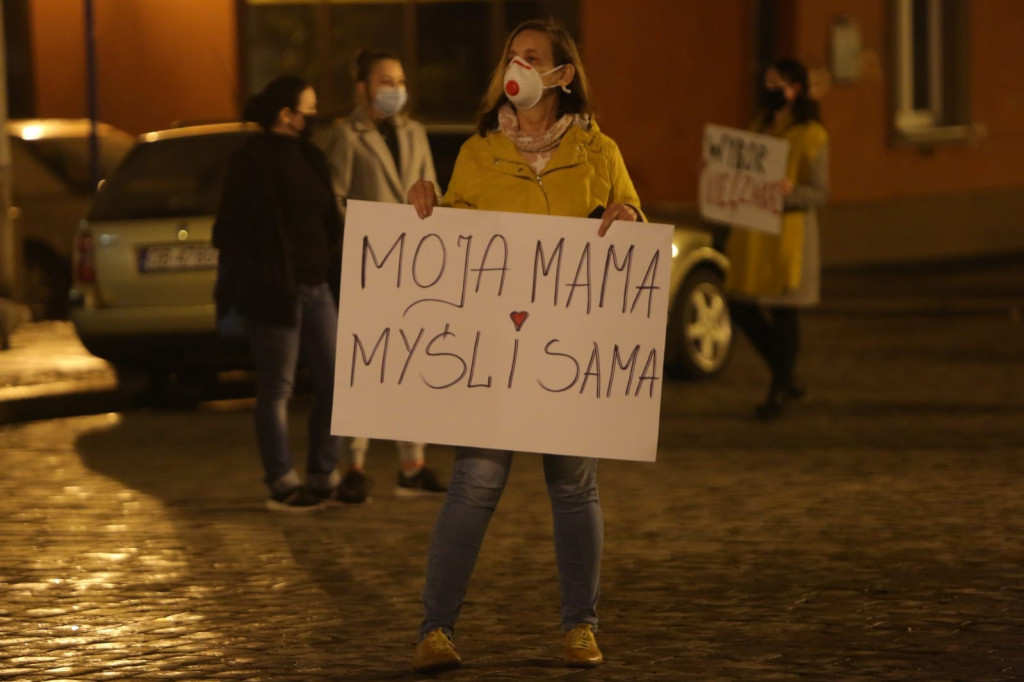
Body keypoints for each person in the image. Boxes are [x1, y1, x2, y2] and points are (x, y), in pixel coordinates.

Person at [405, 19, 643, 673]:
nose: (518, 67)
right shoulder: (479, 153)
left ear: (562, 76)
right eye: (512, 56)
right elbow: (451, 240)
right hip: (495, 350)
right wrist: (427, 205)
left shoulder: (601, 154)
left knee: (572, 488)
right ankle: (436, 630)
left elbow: (635, 234)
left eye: (532, 58)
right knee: (473, 483)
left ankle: (580, 628)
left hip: (566, 352)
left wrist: (629, 219)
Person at [213, 76, 355, 512]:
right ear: (286, 114)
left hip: (317, 287)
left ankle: (322, 471)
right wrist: (263, 275)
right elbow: (229, 230)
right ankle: (281, 478)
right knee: (278, 386)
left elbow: (327, 218)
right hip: (275, 293)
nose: (313, 117)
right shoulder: (250, 161)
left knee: (337, 381)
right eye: (308, 109)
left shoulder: (310, 156)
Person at [318, 49, 447, 501]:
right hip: (368, 268)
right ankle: (354, 464)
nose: (395, 89)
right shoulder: (346, 135)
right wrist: (363, 237)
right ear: (364, 88)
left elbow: (432, 187)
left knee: (412, 363)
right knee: (365, 364)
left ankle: (413, 464)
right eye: (386, 81)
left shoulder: (414, 132)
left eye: (400, 81)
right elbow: (333, 199)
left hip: (413, 267)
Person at [725, 57, 829, 420]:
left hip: (790, 237)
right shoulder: (760, 125)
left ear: (795, 89)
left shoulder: (811, 133)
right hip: (754, 233)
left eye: (776, 83)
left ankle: (779, 389)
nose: (768, 90)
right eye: (765, 82)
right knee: (740, 304)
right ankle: (786, 374)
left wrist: (791, 192)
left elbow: (819, 191)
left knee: (785, 311)